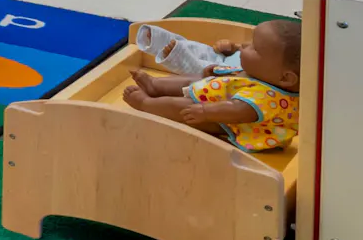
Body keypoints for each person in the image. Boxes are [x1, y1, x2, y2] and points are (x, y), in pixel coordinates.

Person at [123, 17, 300, 151]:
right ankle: (155, 85)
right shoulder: (266, 74)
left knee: (182, 107)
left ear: (285, 78)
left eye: (254, 48)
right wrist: (218, 74)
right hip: (218, 102)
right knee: (194, 80)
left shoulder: (270, 100)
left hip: (223, 122)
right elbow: (240, 80)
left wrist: (205, 111)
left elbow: (236, 110)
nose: (245, 45)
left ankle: (146, 104)